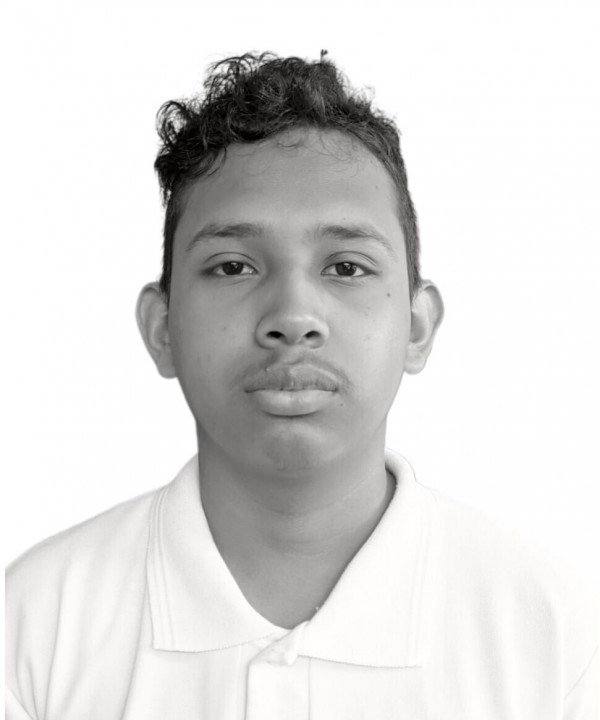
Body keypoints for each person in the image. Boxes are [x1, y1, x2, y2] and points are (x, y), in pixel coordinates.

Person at [5, 51, 599, 719]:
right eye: (233, 266)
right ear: (162, 327)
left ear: (416, 326)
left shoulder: (558, 641)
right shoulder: (31, 628)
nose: (292, 317)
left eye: (346, 267)